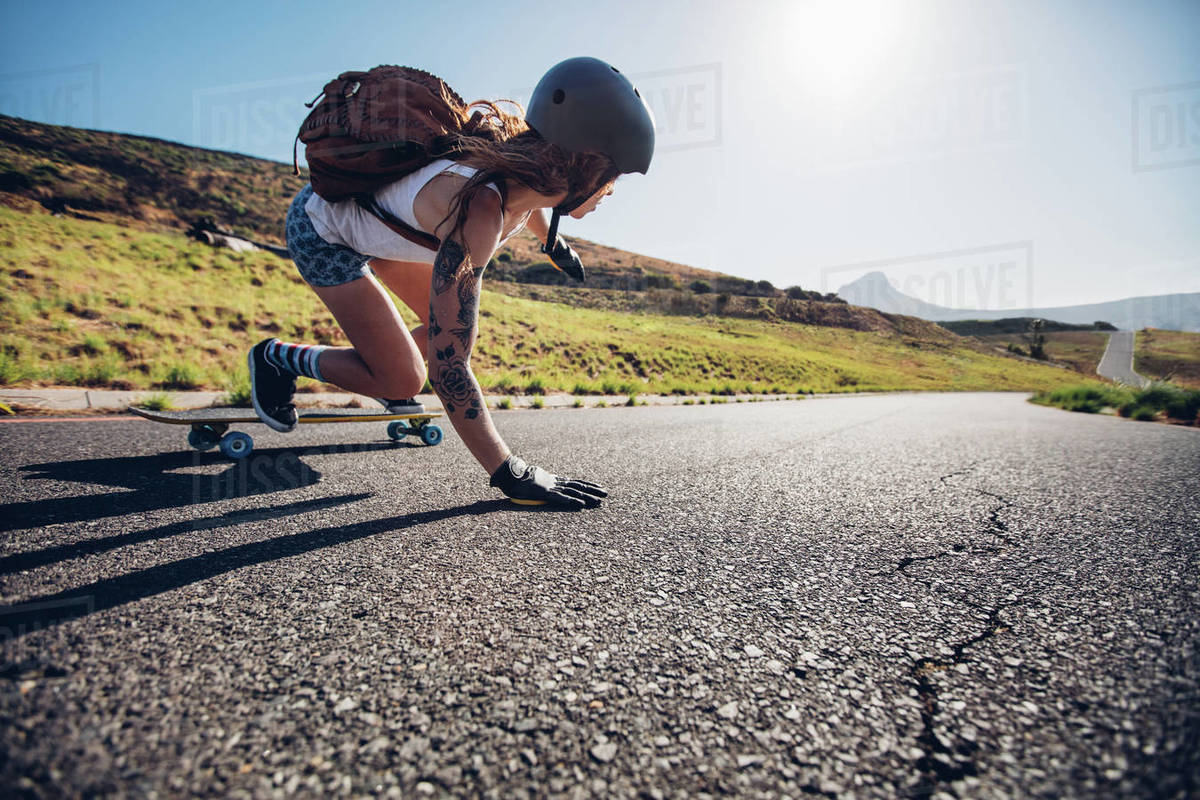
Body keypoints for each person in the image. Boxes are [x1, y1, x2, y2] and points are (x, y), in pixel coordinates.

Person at [250, 57, 655, 509]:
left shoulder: (525, 173)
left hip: (382, 228)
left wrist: (554, 246)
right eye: (612, 178)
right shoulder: (476, 211)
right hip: (322, 233)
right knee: (406, 375)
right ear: (585, 167)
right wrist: (510, 471)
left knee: (435, 332)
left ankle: (380, 357)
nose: (611, 192)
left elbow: (534, 209)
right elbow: (451, 367)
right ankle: (276, 359)